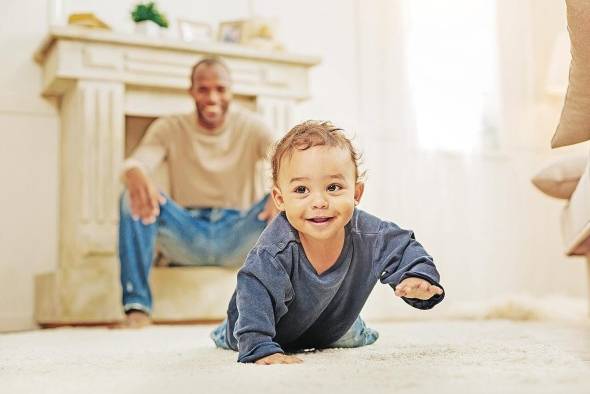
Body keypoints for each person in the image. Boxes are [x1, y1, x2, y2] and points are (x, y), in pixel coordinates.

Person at [210, 120, 445, 364]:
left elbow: (403, 247)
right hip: (266, 324)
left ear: (356, 194)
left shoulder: (370, 235)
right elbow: (254, 288)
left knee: (349, 334)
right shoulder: (274, 250)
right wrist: (258, 346)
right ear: (280, 199)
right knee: (239, 331)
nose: (319, 202)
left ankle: (351, 328)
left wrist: (417, 276)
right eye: (301, 190)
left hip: (330, 325)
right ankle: (225, 330)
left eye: (333, 187)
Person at [118, 57, 277, 328]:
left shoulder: (252, 126)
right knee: (131, 197)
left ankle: (289, 307)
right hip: (187, 233)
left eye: (220, 89)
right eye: (203, 89)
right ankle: (137, 307)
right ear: (191, 91)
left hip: (238, 234)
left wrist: (280, 191)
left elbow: (286, 160)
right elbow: (138, 162)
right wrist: (134, 173)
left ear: (231, 91)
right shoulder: (169, 126)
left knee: (293, 199)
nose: (212, 97)